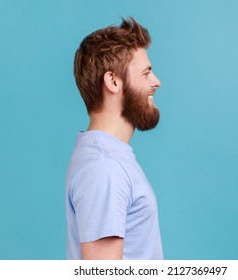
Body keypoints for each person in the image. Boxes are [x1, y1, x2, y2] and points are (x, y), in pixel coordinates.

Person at [65, 17, 163, 260]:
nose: (156, 82)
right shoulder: (104, 167)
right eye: (146, 73)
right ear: (113, 81)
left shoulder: (108, 157)